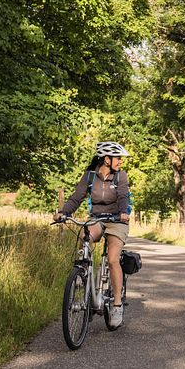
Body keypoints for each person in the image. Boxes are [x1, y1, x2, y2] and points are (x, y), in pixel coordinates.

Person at [54, 141, 131, 328]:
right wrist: (64, 213)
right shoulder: (89, 177)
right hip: (96, 218)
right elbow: (76, 197)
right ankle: (83, 272)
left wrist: (123, 212)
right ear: (106, 159)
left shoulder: (121, 177)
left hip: (116, 220)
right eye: (117, 158)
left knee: (113, 259)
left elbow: (123, 197)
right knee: (85, 236)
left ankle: (117, 305)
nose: (120, 161)